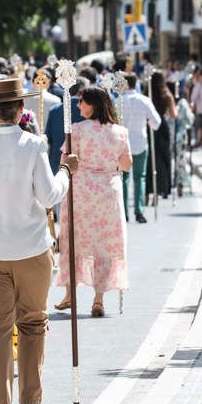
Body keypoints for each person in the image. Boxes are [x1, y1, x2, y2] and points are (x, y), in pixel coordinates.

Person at [0, 77, 79, 404]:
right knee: (32, 324)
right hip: (29, 248)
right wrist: (67, 169)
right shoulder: (33, 144)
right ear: (21, 110)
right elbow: (50, 196)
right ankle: (30, 402)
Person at [54, 86, 132, 317]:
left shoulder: (77, 130)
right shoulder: (119, 132)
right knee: (105, 244)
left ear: (94, 104)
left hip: (81, 191)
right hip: (109, 191)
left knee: (74, 240)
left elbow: (66, 160)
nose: (78, 106)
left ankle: (70, 294)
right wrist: (110, 166)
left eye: (82, 102)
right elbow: (127, 164)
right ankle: (98, 299)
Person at [121, 72, 161, 223]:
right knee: (140, 177)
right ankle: (139, 210)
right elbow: (156, 123)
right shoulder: (144, 100)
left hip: (123, 145)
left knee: (123, 178)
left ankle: (124, 212)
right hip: (140, 143)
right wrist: (148, 122)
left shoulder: (118, 101)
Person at [45, 77, 88, 174]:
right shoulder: (88, 110)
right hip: (81, 165)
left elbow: (48, 138)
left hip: (57, 162)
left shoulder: (55, 109)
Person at [145, 71, 176, 200]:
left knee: (150, 158)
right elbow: (174, 115)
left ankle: (148, 190)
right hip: (162, 125)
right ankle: (163, 188)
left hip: (149, 125)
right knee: (163, 157)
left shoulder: (147, 94)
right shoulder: (167, 95)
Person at [170, 81, 194, 198]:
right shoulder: (183, 103)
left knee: (171, 159)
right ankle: (180, 182)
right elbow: (190, 120)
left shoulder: (169, 101)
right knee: (181, 160)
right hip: (181, 135)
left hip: (170, 135)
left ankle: (170, 183)